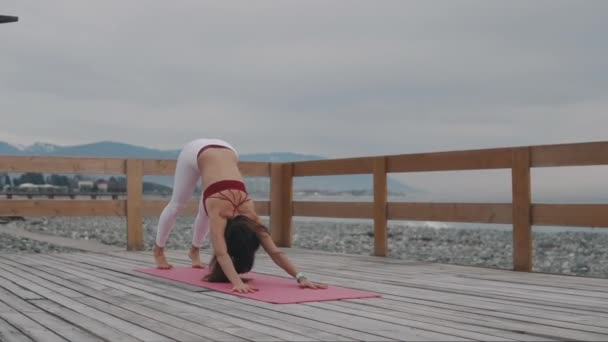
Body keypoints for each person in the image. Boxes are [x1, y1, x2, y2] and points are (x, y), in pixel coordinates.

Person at [154, 138, 327, 293]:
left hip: (229, 150)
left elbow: (275, 251)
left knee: (205, 208)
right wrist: (236, 283)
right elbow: (222, 254)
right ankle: (159, 251)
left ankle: (194, 251)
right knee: (178, 204)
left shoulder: (251, 217)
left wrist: (301, 277)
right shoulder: (220, 213)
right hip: (195, 151)